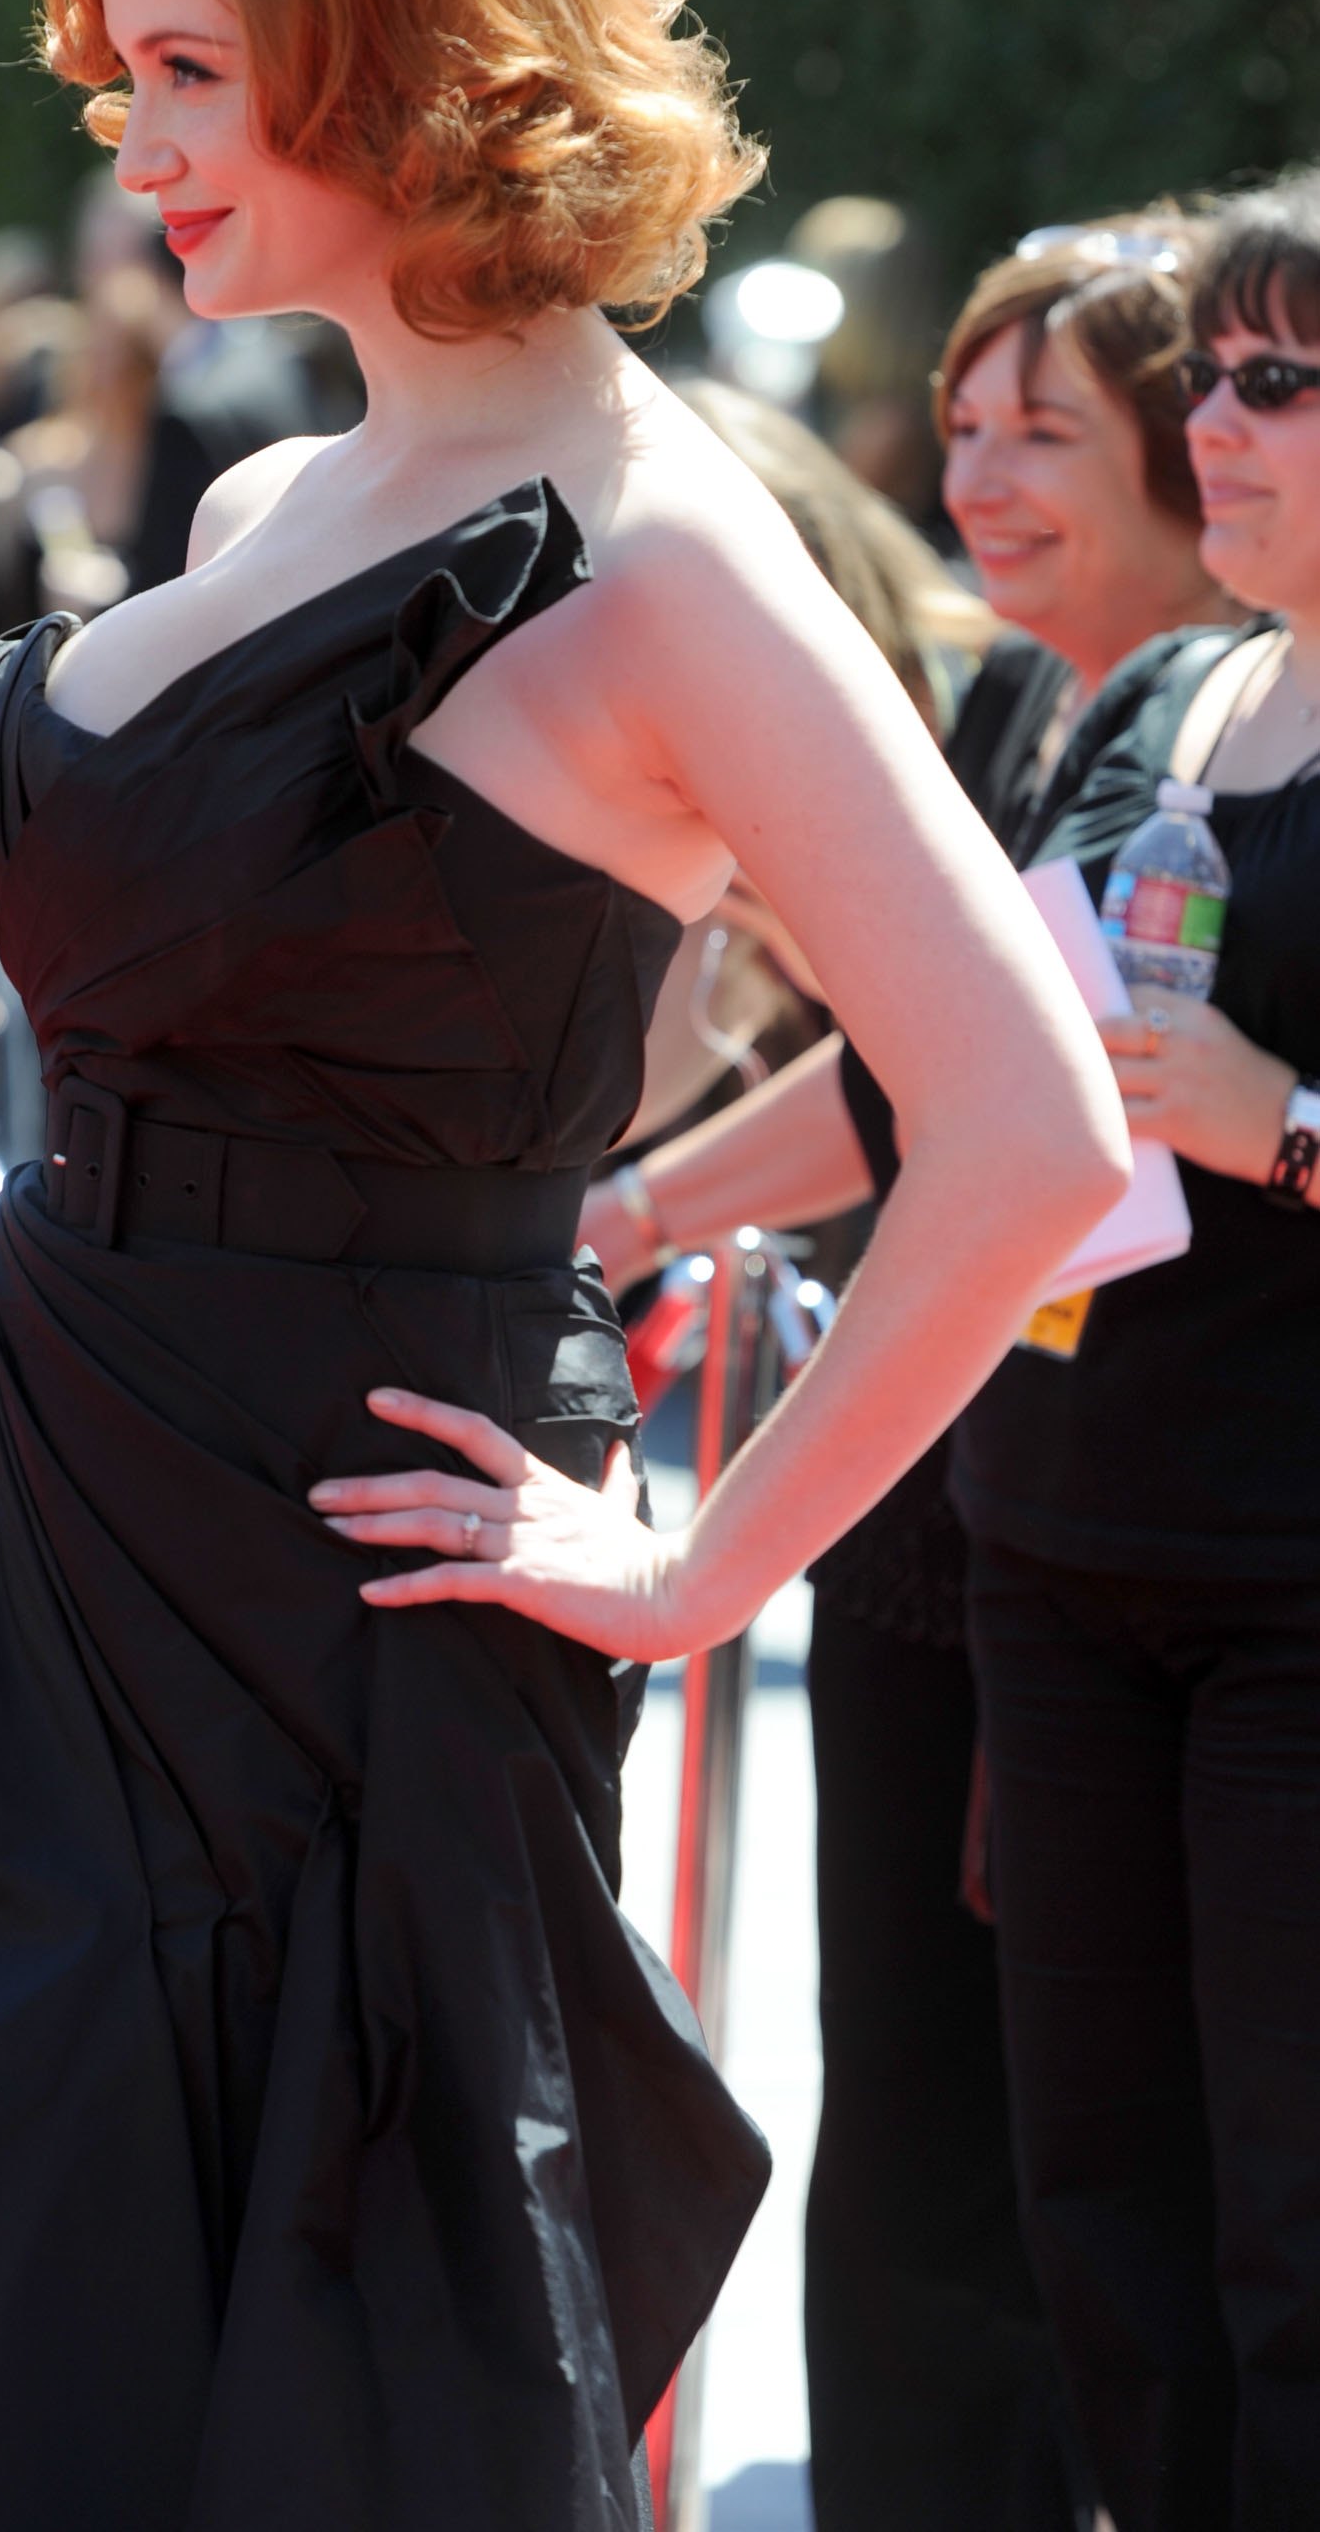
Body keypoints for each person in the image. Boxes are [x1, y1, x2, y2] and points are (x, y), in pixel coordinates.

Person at [0, 0, 1125, 2532]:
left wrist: (681, 1571)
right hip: (2, 1507)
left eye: (188, 68)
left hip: (332, 1585)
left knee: (210, 2390)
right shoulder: (284, 475)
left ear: (400, 49)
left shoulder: (661, 556)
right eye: (119, 69)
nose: (130, 137)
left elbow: (1019, 1121)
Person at [586, 218, 1230, 2532]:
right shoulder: (1016, 700)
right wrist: (648, 1202)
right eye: (959, 422)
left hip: (1136, 1512)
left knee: (1078, 2131)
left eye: (1043, 428)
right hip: (960, 1492)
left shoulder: (1216, 722)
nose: (977, 472)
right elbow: (902, 1062)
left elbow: (1007, 1080)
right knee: (935, 2110)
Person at [949, 176, 1320, 2532]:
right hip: (1054, 1538)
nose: (1223, 420)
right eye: (1212, 376)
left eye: (1278, 382)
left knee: (1291, 2211)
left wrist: (1284, 1126)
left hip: (1298, 1578)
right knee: (1092, 2194)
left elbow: (1229, 1106)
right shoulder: (1162, 682)